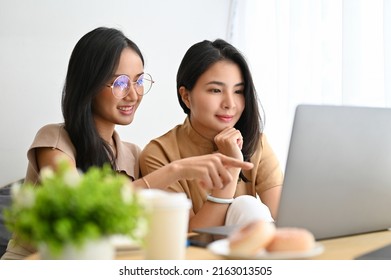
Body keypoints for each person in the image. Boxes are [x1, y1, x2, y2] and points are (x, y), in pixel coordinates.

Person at [1, 28, 253, 260]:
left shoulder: (132, 155)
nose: (133, 94)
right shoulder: (54, 141)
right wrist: (175, 170)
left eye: (139, 81)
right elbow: (79, 207)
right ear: (89, 84)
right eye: (120, 83)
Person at [139, 39, 284, 232]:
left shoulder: (256, 142)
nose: (230, 103)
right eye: (216, 90)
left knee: (247, 207)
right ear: (186, 96)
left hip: (255, 252)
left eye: (239, 91)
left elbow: (283, 220)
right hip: (200, 258)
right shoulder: (159, 154)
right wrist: (231, 168)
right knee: (246, 205)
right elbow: (192, 236)